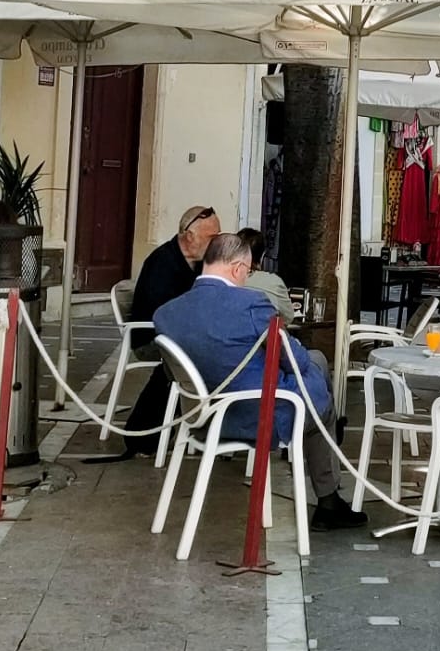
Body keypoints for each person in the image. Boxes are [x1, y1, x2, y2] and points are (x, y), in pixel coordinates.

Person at [151, 232, 362, 531]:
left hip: (201, 419)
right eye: (247, 272)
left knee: (314, 373)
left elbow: (174, 374)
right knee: (317, 383)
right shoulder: (251, 304)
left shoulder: (167, 314)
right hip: (258, 417)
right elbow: (295, 361)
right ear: (238, 269)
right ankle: (328, 499)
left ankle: (329, 489)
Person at [119, 205, 222, 453]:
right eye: (212, 238)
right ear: (190, 237)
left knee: (216, 352)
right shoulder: (162, 263)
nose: (216, 244)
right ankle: (148, 432)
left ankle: (206, 424)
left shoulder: (198, 264)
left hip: (179, 335)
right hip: (151, 337)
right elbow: (163, 314)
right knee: (190, 360)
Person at [238, 228, 294, 325]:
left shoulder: (223, 280)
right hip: (263, 339)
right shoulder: (273, 283)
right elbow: (288, 318)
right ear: (262, 256)